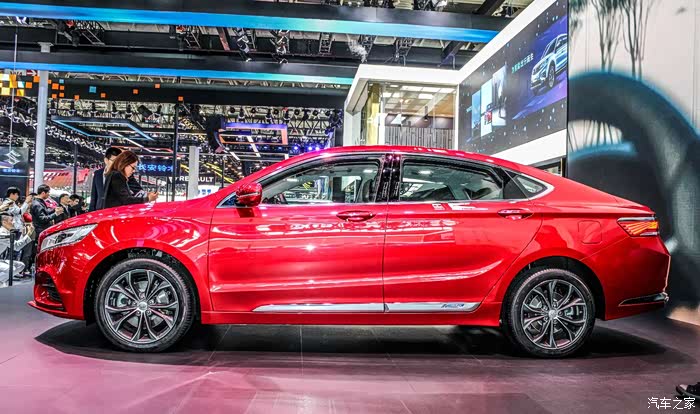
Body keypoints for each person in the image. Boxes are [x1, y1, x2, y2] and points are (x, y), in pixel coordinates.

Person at [89, 147, 143, 211]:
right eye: (114, 160)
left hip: (115, 211)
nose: (117, 163)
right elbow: (94, 196)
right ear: (106, 160)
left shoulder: (126, 175)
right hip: (99, 211)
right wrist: (91, 212)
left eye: (119, 161)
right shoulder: (98, 174)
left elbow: (137, 191)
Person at [0, 212, 33, 284]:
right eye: (11, 220)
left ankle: (1, 281)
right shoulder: (2, 233)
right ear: (4, 222)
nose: (14, 222)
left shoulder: (6, 232)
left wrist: (24, 235)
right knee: (11, 268)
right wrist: (28, 235)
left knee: (20, 265)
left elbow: (17, 244)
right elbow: (16, 247)